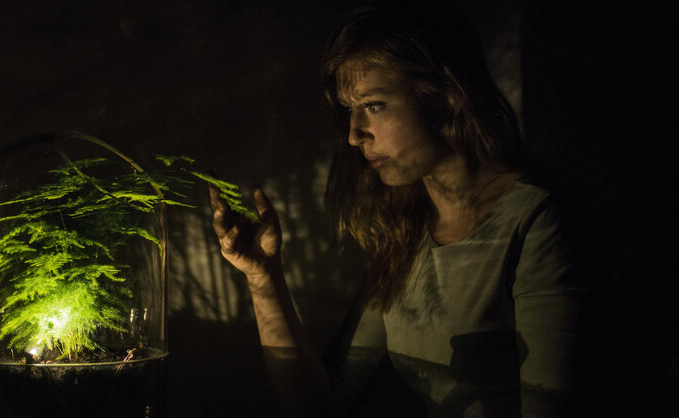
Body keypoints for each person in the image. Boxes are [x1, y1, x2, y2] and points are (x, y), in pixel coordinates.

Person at [209, 1, 596, 416]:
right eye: (349, 110)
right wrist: (263, 278)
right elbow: (319, 403)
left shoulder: (538, 225)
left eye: (374, 105)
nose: (356, 135)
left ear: (445, 98)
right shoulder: (406, 232)